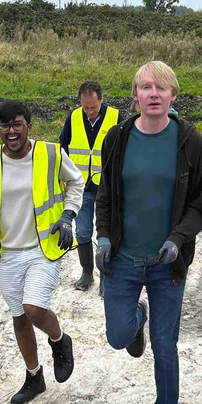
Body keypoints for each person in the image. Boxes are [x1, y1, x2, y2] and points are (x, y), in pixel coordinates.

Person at [95, 61, 202, 404]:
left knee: (165, 344)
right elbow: (105, 195)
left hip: (167, 265)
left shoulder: (189, 141)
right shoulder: (118, 138)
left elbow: (198, 207)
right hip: (123, 260)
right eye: (146, 87)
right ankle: (136, 317)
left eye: (161, 88)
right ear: (135, 97)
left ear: (174, 95)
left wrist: (177, 240)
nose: (154, 94)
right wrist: (104, 237)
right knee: (117, 336)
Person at [0, 100, 83, 404]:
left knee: (33, 309)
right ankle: (34, 377)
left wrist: (68, 216)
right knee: (19, 316)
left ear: (28, 126)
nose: (11, 131)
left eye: (17, 124)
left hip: (43, 248)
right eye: (4, 125)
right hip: (8, 251)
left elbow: (76, 182)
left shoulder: (50, 153)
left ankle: (59, 341)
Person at [59, 81, 124, 292]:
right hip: (81, 187)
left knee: (106, 232)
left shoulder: (116, 118)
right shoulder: (74, 118)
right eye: (85, 107)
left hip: (107, 187)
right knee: (84, 232)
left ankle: (106, 276)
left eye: (93, 107)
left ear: (101, 100)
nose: (89, 111)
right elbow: (63, 149)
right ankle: (87, 273)